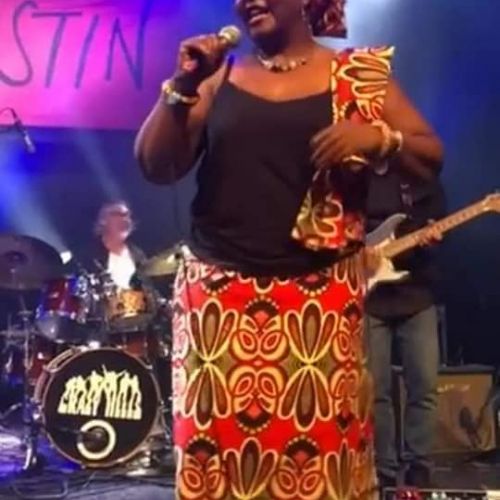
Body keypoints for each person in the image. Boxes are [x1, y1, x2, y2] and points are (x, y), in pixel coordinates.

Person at [135, 0, 443, 497]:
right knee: (217, 461)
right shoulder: (219, 77)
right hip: (218, 307)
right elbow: (155, 165)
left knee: (321, 462)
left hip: (319, 307)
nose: (247, 1)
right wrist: (183, 85)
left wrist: (377, 137)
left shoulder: (357, 75)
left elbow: (429, 154)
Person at [365, 172, 446, 488]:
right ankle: (383, 468)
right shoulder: (356, 173)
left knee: (424, 385)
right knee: (377, 391)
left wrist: (432, 237)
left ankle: (419, 466)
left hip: (417, 294)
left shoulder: (420, 177)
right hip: (371, 298)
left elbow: (438, 225)